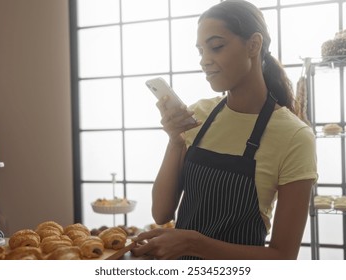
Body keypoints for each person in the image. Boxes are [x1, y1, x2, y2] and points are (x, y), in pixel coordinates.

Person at [132, 0, 317, 260]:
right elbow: (161, 213)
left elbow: (283, 257)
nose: (204, 61)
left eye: (216, 47)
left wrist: (193, 244)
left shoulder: (295, 137)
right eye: (200, 51)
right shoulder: (198, 116)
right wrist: (175, 141)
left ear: (253, 45)